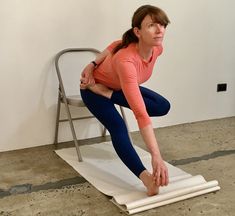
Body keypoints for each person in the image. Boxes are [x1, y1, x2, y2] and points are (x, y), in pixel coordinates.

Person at [80, 5, 170, 196]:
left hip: (115, 89)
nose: (159, 30)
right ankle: (145, 179)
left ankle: (108, 94)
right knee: (119, 128)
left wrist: (92, 63)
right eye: (152, 25)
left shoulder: (157, 48)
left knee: (163, 105)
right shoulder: (126, 60)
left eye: (162, 25)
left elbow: (115, 43)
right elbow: (140, 114)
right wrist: (156, 156)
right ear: (137, 32)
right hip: (93, 91)